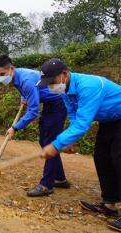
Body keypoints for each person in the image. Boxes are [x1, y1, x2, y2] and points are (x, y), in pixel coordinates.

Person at [37, 58, 121, 231]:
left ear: (64, 75)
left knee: (119, 160)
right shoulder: (66, 90)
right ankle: (110, 205)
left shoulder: (88, 86)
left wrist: (56, 145)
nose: (50, 86)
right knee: (101, 158)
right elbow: (73, 115)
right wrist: (71, 140)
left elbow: (83, 124)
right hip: (109, 121)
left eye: (52, 81)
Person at [0, 55, 69, 197]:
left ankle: (47, 185)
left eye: (2, 74)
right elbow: (27, 91)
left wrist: (15, 127)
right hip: (49, 102)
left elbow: (33, 112)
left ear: (11, 68)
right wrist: (23, 98)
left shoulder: (26, 80)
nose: (0, 78)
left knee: (49, 143)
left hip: (58, 102)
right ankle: (60, 178)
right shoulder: (16, 76)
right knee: (45, 141)